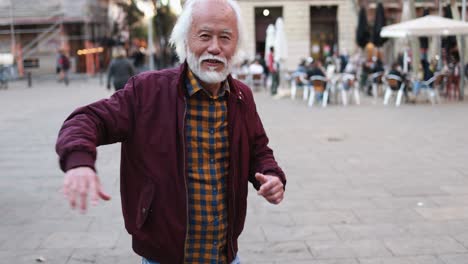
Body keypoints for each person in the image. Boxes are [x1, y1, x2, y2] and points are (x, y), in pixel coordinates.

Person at [55, 1, 286, 264]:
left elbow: (258, 149)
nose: (214, 47)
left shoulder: (241, 96)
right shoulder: (147, 91)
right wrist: (79, 162)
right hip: (163, 257)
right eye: (204, 36)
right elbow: (87, 119)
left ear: (235, 47)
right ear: (185, 42)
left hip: (224, 255)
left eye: (225, 38)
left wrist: (270, 175)